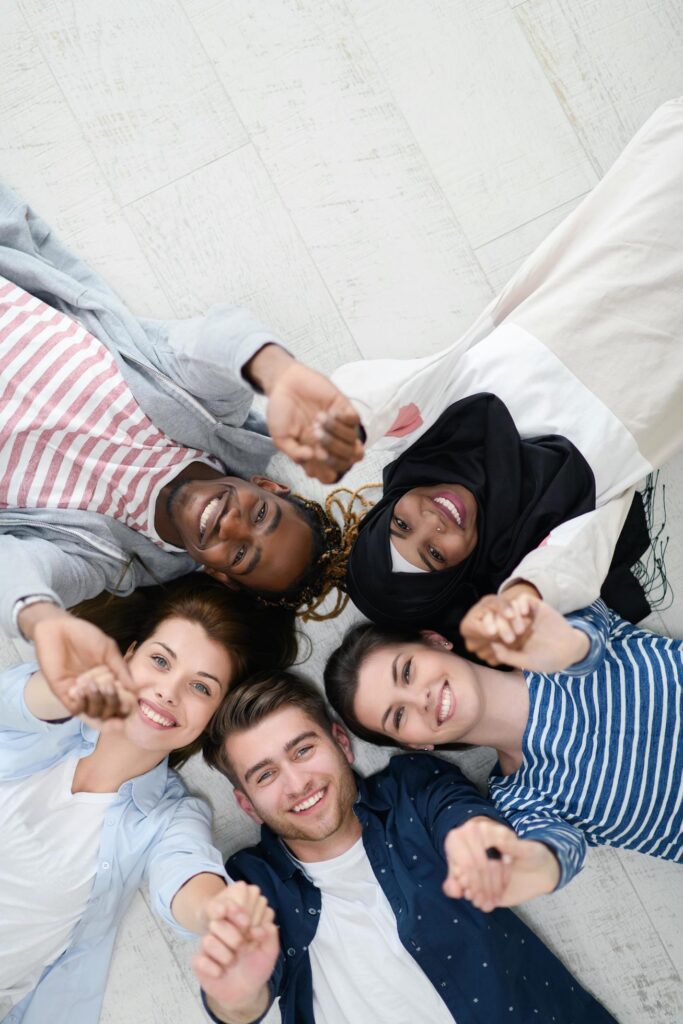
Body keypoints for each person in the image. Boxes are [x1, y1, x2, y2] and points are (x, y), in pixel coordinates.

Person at [322, 96, 683, 661]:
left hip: (621, 255)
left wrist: (347, 419)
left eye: (401, 526)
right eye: (436, 555)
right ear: (463, 569)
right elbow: (568, 568)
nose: (431, 523)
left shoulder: (429, 422)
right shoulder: (550, 524)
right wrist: (525, 595)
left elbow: (381, 397)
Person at [0, 182, 362, 711]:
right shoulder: (200, 408)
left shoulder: (104, 558)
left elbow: (19, 566)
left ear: (217, 571)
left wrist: (42, 618)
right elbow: (216, 338)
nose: (233, 524)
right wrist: (279, 374)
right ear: (263, 483)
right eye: (261, 514)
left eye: (242, 553)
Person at [192, 670, 617, 1024]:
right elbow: (244, 996)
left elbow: (463, 819)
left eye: (303, 750)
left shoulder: (411, 790)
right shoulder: (254, 882)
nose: (296, 783)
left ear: (341, 742)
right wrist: (235, 991)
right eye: (265, 776)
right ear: (247, 804)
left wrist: (484, 846)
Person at [0, 575, 295, 1024]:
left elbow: (186, 874)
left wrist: (220, 917)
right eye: (160, 661)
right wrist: (67, 687)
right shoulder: (41, 713)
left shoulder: (170, 816)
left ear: (211, 718)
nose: (167, 692)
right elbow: (20, 701)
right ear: (129, 654)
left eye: (201, 687)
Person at [324, 593, 683, 900]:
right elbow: (559, 851)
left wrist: (560, 644)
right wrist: (533, 868)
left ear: (434, 641)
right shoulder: (518, 800)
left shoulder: (545, 638)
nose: (421, 699)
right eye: (399, 716)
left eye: (407, 672)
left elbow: (585, 627)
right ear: (417, 743)